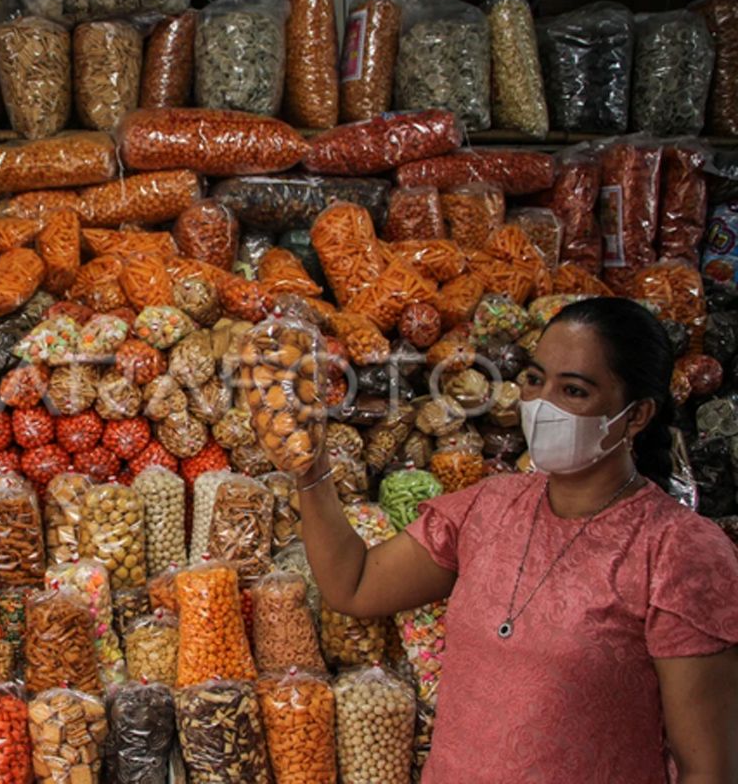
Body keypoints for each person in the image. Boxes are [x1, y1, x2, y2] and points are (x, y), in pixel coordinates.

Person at [297, 297, 738, 783]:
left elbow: (708, 769)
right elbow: (354, 585)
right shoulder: (490, 506)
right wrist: (311, 473)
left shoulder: (679, 552)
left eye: (573, 390)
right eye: (534, 379)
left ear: (635, 416)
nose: (542, 404)